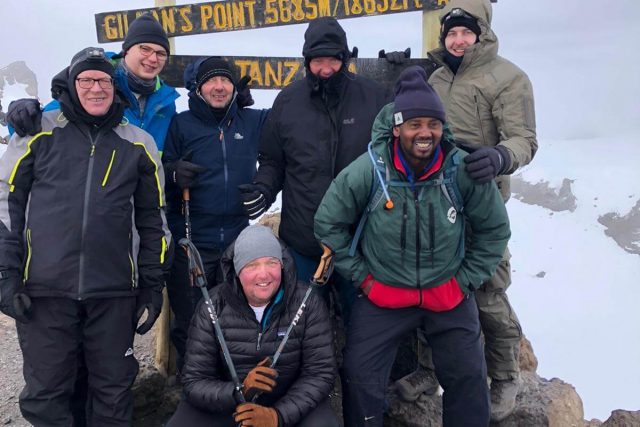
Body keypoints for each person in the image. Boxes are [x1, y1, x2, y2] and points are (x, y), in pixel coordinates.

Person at [314, 66, 511, 426]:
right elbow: (328, 224)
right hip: (384, 294)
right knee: (360, 373)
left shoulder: (461, 170)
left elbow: (494, 231)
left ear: (442, 127)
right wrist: (365, 280)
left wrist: (464, 281)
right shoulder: (370, 170)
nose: (425, 133)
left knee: (468, 376)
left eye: (432, 124)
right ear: (397, 127)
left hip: (447, 291)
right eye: (415, 124)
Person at [0, 47, 168, 426]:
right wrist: (5, 274)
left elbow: (152, 218)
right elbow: (6, 204)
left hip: (113, 293)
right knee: (47, 394)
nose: (96, 88)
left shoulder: (138, 142)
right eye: (87, 80)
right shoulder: (37, 132)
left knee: (112, 393)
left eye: (104, 80)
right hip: (44, 291)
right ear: (71, 85)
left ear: (115, 86)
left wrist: (152, 283)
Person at [395, 1, 538, 421]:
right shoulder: (436, 79)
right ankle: (429, 369)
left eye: (466, 32)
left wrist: (498, 156)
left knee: (488, 290)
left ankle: (506, 377)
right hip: (434, 199)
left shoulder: (508, 78)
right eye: (451, 33)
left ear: (482, 32)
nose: (458, 40)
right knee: (431, 279)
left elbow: (524, 139)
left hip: (483, 199)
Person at [237, 17, 390, 324]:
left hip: (360, 240)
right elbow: (273, 161)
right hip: (304, 240)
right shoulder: (288, 101)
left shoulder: (375, 98)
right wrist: (264, 190)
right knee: (303, 323)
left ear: (344, 59)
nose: (325, 69)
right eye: (317, 61)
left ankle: (359, 373)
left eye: (333, 60)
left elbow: (397, 153)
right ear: (306, 61)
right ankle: (311, 372)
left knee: (363, 324)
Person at [166, 225, 338, 427]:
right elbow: (194, 381)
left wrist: (278, 416)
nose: (263, 274)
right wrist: (239, 391)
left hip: (288, 400)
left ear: (282, 265)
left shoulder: (308, 303)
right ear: (238, 271)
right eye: (252, 265)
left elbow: (320, 373)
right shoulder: (212, 306)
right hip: (230, 402)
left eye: (271, 263)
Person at [161, 57, 269, 372]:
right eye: (212, 80)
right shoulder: (181, 124)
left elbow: (293, 120)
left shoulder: (252, 122)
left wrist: (264, 186)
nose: (219, 87)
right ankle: (193, 381)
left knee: (237, 316)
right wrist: (173, 173)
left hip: (237, 240)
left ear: (235, 87)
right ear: (197, 87)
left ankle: (233, 379)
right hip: (191, 240)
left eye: (226, 80)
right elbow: (158, 171)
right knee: (191, 318)